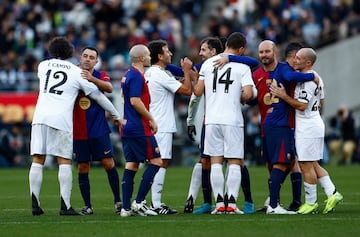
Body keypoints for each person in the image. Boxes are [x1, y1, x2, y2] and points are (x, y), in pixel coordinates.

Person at [29, 37, 121, 216]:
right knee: (64, 161)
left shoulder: (42, 66)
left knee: (38, 159)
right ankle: (65, 206)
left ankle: (35, 203)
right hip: (62, 119)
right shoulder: (75, 72)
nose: (86, 59)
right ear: (72, 54)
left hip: (39, 117)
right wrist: (117, 115)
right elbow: (99, 96)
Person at [182, 37, 259, 214]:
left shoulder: (208, 64)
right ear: (241, 50)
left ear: (225, 46)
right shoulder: (243, 67)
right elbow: (248, 94)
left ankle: (218, 204)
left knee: (215, 162)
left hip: (211, 121)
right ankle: (231, 204)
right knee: (234, 162)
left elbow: (198, 92)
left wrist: (196, 79)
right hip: (232, 120)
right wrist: (241, 96)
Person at [270, 47, 343, 214]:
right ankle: (332, 193)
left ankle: (311, 203)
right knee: (314, 164)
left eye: (298, 59)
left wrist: (284, 96)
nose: (294, 61)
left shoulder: (307, 81)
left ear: (308, 62)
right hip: (313, 123)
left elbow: (302, 106)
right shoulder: (317, 77)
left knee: (305, 165)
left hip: (308, 127)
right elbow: (322, 101)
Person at [252, 40, 317, 214]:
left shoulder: (283, 69)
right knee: (272, 165)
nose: (264, 55)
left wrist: (312, 76)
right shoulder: (256, 74)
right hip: (267, 125)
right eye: (261, 52)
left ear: (275, 52)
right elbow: (253, 98)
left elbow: (290, 78)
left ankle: (276, 203)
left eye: (267, 51)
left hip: (284, 124)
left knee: (285, 162)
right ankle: (274, 203)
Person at [145, 39, 193, 215]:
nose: (170, 54)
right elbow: (188, 91)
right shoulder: (160, 74)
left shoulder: (150, 73)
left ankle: (147, 202)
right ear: (159, 56)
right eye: (167, 51)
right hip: (161, 124)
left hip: (153, 121)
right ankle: (155, 204)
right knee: (160, 162)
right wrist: (187, 71)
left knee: (154, 162)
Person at [73, 46, 121, 215]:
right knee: (82, 167)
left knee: (108, 163)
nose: (87, 59)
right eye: (85, 56)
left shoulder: (100, 75)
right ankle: (87, 205)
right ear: (80, 58)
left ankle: (118, 201)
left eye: (91, 57)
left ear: (96, 61)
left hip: (98, 127)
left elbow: (108, 88)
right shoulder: (72, 74)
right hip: (78, 130)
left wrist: (92, 79)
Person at [119, 44, 162, 217]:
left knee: (132, 164)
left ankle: (126, 208)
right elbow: (135, 101)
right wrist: (151, 118)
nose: (150, 57)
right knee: (156, 161)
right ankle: (139, 202)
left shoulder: (127, 75)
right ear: (142, 58)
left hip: (127, 126)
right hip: (139, 127)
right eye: (148, 55)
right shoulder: (137, 76)